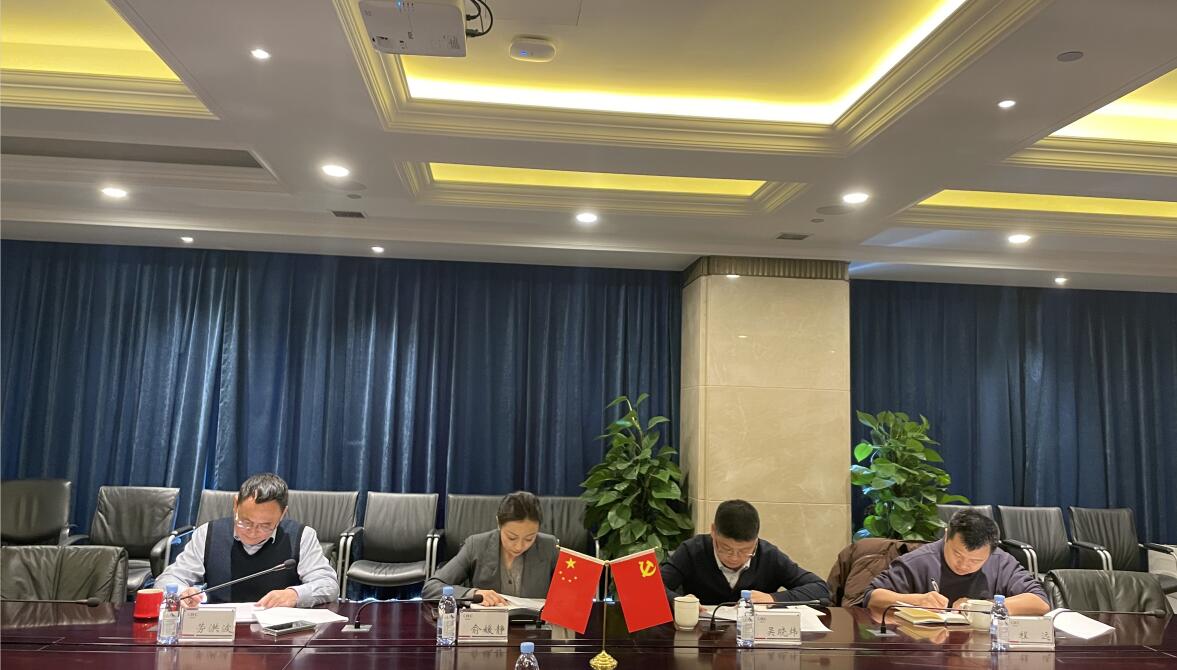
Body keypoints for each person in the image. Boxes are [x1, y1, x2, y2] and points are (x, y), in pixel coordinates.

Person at [155, 473, 339, 608]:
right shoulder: (208, 533)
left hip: (277, 633)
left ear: (282, 514)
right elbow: (168, 579)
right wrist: (182, 592)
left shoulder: (302, 536)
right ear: (235, 505)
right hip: (219, 630)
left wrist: (295, 594)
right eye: (245, 522)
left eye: (266, 525)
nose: (253, 532)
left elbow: (328, 585)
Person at [864, 510, 1050, 617]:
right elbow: (872, 597)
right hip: (926, 650)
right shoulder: (919, 561)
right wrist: (917, 601)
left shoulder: (1000, 562)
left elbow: (1040, 602)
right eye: (957, 554)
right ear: (946, 536)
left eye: (976, 561)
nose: (963, 565)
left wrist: (981, 606)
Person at [661, 499, 831, 605]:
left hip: (753, 641)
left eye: (745, 551)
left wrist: (773, 599)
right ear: (713, 531)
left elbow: (820, 588)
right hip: (702, 640)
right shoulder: (692, 550)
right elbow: (653, 588)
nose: (735, 558)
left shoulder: (768, 555)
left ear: (756, 539)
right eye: (726, 549)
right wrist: (678, 601)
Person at [422, 491, 559, 605]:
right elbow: (431, 588)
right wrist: (473, 594)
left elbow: (569, 594)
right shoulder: (476, 545)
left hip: (533, 626)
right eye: (511, 537)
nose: (519, 546)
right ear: (499, 523)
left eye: (529, 538)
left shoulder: (549, 547)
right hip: (487, 624)